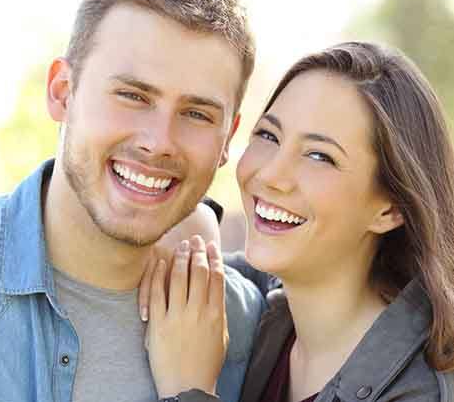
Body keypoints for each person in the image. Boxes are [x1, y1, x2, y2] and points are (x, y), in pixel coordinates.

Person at [0, 0, 264, 402]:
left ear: (227, 138)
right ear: (62, 92)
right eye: (133, 96)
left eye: (196, 114)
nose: (158, 142)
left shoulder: (248, 327)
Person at [143, 42, 454, 401]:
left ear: (390, 209)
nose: (272, 174)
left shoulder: (424, 390)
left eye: (320, 156)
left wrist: (189, 390)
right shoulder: (270, 315)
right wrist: (196, 225)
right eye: (268, 135)